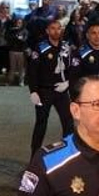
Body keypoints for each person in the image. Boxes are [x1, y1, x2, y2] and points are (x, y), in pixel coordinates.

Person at [27, 19, 73, 156]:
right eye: (53, 28)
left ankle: (69, 152)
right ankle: (34, 156)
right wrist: (33, 91)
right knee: (41, 123)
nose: (56, 31)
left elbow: (72, 67)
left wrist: (68, 82)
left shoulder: (66, 47)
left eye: (59, 28)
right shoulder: (40, 48)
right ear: (47, 31)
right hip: (44, 91)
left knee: (68, 122)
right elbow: (32, 71)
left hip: (61, 91)